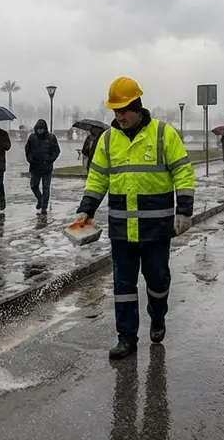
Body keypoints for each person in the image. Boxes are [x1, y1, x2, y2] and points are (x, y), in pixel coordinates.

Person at [73, 76, 195, 360]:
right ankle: (126, 338)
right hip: (122, 230)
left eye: (124, 110)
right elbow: (97, 179)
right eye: (115, 111)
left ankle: (158, 314)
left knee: (157, 280)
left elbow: (183, 172)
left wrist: (184, 210)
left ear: (137, 106)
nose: (119, 116)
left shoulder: (163, 134)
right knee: (123, 286)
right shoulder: (107, 140)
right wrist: (86, 209)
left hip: (156, 228)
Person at [24, 118, 61, 215]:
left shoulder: (51, 137)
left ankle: (44, 207)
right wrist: (30, 159)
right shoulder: (32, 138)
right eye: (38, 129)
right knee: (33, 186)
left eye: (42, 129)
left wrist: (50, 160)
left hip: (46, 168)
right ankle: (40, 199)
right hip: (35, 167)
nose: (40, 131)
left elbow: (56, 150)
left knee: (46, 188)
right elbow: (27, 149)